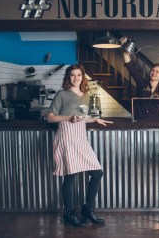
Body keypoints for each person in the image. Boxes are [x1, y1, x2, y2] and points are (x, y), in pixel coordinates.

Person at [47, 64, 113, 227]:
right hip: (66, 135)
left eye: (78, 75)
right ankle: (69, 213)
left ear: (83, 77)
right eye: (72, 75)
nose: (75, 78)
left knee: (97, 172)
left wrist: (94, 119)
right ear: (67, 77)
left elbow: (81, 117)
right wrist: (68, 118)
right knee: (70, 176)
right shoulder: (61, 94)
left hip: (80, 136)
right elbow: (50, 118)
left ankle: (87, 209)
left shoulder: (85, 94)